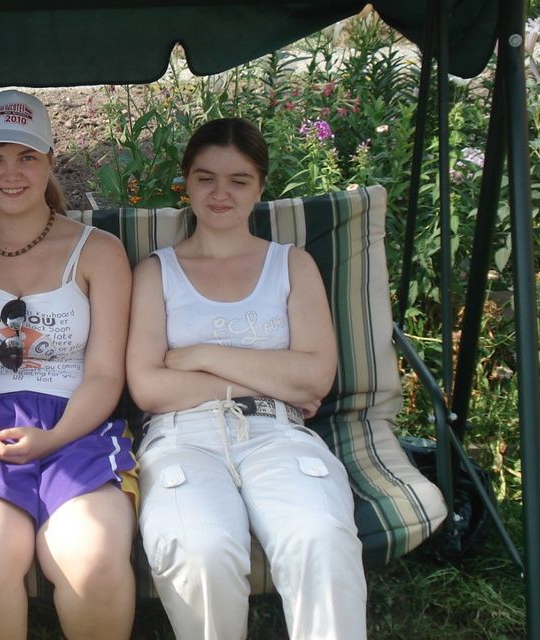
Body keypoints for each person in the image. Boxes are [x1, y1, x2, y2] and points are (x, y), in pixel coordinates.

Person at [127, 117, 367, 640]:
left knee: (320, 536)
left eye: (238, 180)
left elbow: (316, 376)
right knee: (200, 548)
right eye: (206, 178)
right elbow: (149, 387)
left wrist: (199, 355)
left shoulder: (292, 265)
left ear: (260, 187)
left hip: (277, 433)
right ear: (186, 182)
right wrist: (274, 377)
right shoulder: (156, 273)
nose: (221, 193)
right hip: (181, 438)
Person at [0, 90, 137, 639]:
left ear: (49, 160)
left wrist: (54, 438)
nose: (11, 173)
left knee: (92, 561)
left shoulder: (99, 251)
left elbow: (106, 375)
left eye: (26, 157)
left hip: (78, 423)